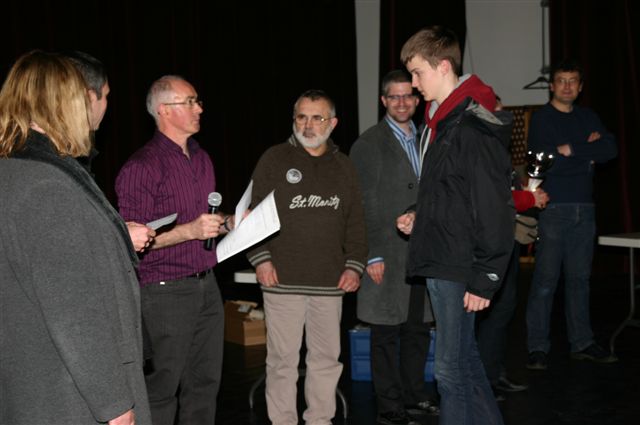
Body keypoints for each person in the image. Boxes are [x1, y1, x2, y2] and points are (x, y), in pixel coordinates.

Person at [0, 50, 151, 425]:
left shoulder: (13, 171)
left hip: (31, 383)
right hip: (67, 395)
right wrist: (114, 404)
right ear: (64, 104)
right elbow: (74, 312)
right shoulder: (48, 187)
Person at [396, 26, 514, 425]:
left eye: (417, 73)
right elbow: (451, 193)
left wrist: (486, 277)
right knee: (465, 363)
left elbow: (494, 208)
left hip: (459, 265)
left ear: (443, 66)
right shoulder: (441, 122)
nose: (414, 84)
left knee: (450, 371)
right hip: (444, 255)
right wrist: (419, 213)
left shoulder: (470, 127)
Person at [115, 75, 231, 425]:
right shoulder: (142, 167)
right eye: (190, 102)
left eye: (197, 101)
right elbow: (130, 241)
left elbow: (203, 219)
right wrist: (189, 231)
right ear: (164, 110)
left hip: (207, 284)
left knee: (204, 385)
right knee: (162, 390)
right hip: (165, 291)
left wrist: (229, 223)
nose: (200, 109)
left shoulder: (201, 158)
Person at [247, 89, 368, 425]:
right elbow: (252, 215)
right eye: (302, 117)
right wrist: (261, 259)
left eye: (317, 118)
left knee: (326, 360)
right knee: (281, 362)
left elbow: (357, 223)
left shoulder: (344, 167)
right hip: (281, 280)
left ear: (333, 123)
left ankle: (320, 420)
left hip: (330, 282)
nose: (308, 125)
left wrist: (354, 266)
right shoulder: (274, 159)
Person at [350, 70, 438, 425]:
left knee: (418, 328)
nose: (402, 103)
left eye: (408, 96)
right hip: (385, 252)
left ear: (417, 100)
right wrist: (371, 253)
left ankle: (415, 395)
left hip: (423, 250)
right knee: (385, 331)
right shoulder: (368, 144)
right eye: (394, 96)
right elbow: (363, 203)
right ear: (384, 100)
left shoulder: (429, 137)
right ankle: (389, 404)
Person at [525, 59, 618, 370]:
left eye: (573, 81)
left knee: (580, 280)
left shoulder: (588, 116)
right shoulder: (542, 119)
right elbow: (544, 163)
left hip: (585, 208)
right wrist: (586, 154)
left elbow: (610, 149)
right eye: (561, 80)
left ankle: (582, 342)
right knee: (545, 281)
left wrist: (571, 149)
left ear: (580, 87)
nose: (567, 86)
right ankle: (537, 347)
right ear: (552, 86)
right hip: (554, 208)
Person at [65, 50, 155, 252]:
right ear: (90, 97)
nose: (199, 109)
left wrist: (117, 230)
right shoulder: (55, 163)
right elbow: (58, 246)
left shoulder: (68, 157)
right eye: (106, 95)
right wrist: (120, 238)